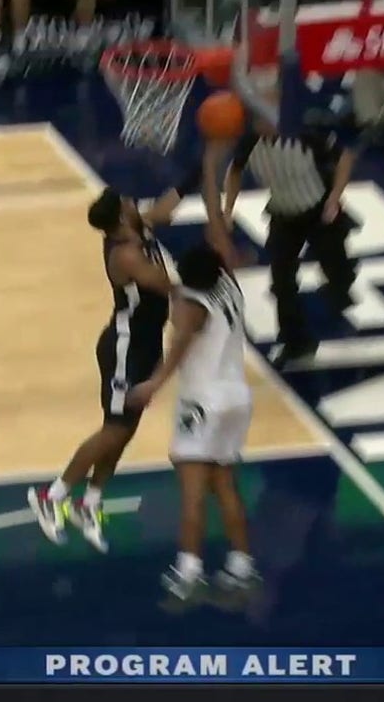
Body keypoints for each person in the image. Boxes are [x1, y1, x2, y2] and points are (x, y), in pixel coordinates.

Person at [27, 180, 192, 552]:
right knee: (115, 429)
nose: (137, 202)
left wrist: (197, 173)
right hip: (125, 347)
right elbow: (166, 284)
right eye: (130, 201)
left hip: (145, 343)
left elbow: (164, 208)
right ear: (121, 215)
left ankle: (91, 501)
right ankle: (52, 495)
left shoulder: (136, 226)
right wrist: (201, 291)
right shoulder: (126, 253)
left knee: (125, 429)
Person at [126, 244, 259, 604]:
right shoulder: (228, 285)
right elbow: (186, 281)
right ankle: (242, 566)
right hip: (237, 398)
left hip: (202, 402)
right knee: (225, 484)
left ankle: (188, 573)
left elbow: (180, 346)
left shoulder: (190, 308)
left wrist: (153, 384)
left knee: (193, 489)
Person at [213, 94, 359, 368]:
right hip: (283, 215)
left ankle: (341, 284)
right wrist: (227, 211)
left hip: (319, 212)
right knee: (281, 281)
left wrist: (334, 198)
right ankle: (296, 342)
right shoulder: (250, 143)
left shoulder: (305, 136)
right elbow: (234, 171)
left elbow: (346, 157)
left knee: (338, 271)